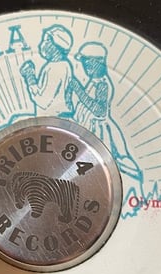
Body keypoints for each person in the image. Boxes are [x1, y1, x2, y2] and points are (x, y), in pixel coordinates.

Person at [70, 42, 143, 184]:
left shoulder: (102, 84)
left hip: (99, 130)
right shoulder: (94, 81)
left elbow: (100, 111)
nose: (86, 66)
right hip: (88, 127)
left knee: (106, 164)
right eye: (84, 63)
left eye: (88, 62)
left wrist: (78, 90)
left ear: (98, 63)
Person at [20, 24, 74, 116]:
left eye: (47, 40)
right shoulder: (63, 65)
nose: (42, 44)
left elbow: (43, 102)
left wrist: (30, 77)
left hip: (54, 117)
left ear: (55, 45)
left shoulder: (56, 68)